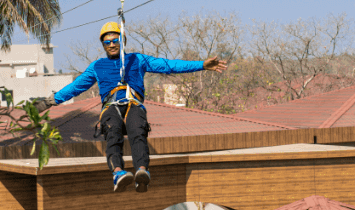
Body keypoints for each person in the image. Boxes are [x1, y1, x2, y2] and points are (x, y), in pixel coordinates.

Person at [34, 21, 227, 192]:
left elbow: (168, 65)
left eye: (115, 40)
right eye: (107, 42)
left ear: (122, 40)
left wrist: (202, 64)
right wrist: (48, 102)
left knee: (138, 130)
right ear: (103, 45)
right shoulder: (97, 66)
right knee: (113, 131)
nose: (111, 44)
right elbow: (75, 88)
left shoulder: (137, 60)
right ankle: (118, 173)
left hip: (134, 104)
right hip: (111, 106)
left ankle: (142, 171)